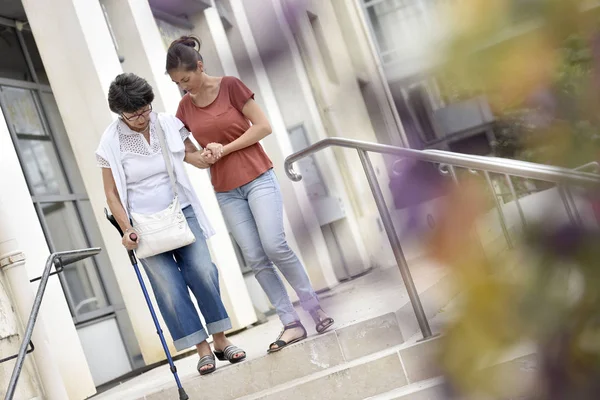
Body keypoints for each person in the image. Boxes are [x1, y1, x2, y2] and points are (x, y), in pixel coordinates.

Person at [165, 36, 335, 353]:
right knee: (256, 257)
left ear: (199, 66)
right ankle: (291, 323)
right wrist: (199, 157)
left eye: (186, 79)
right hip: (226, 191)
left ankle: (314, 308)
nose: (184, 87)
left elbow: (262, 126)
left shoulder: (231, 86)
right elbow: (182, 148)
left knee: (274, 244)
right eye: (177, 83)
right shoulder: (184, 107)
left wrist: (223, 148)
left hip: (258, 177)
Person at [96, 73, 245, 375]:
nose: (141, 117)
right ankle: (201, 349)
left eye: (144, 109)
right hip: (143, 226)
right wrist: (127, 229)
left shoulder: (166, 124)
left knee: (203, 271)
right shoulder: (110, 142)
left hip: (181, 210)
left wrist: (207, 155)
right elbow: (111, 192)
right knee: (169, 288)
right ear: (119, 112)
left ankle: (220, 340)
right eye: (133, 113)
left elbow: (190, 155)